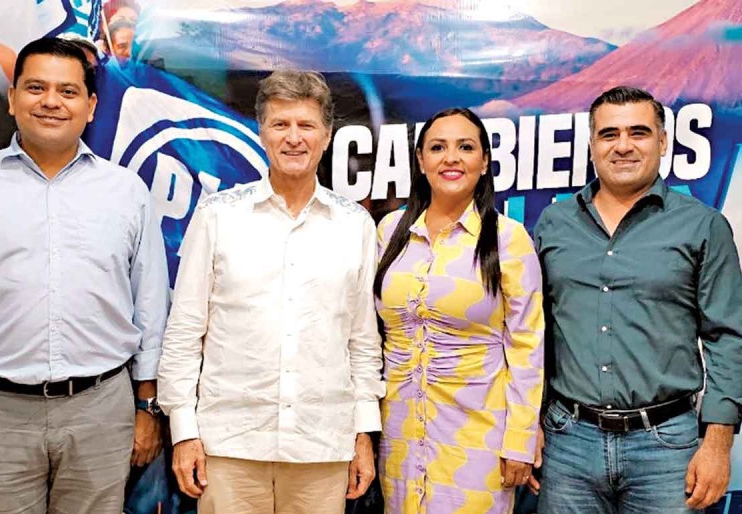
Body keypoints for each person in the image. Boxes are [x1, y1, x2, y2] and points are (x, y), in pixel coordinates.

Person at [0, 37, 169, 514]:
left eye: (67, 91)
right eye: (36, 88)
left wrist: (147, 406)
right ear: (12, 98)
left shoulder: (126, 191)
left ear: (91, 106)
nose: (51, 101)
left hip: (100, 410)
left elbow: (150, 305)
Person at [157, 70, 385, 514]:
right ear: (262, 132)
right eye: (281, 124)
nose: (293, 138)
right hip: (229, 446)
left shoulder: (355, 224)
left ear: (326, 135)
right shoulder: (218, 216)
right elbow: (184, 331)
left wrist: (363, 433)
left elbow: (362, 341)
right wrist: (183, 431)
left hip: (323, 446)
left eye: (306, 125)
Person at [533, 86, 742, 513]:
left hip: (666, 448)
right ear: (592, 145)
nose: (623, 145)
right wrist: (527, 425)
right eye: (609, 134)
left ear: (662, 142)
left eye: (638, 132)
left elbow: (728, 337)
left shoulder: (703, 226)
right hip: (567, 442)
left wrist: (718, 444)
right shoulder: (554, 223)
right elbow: (532, 333)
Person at [374, 107, 544, 514]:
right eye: (438, 147)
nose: (451, 158)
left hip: (479, 440)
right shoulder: (390, 231)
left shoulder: (507, 238)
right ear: (420, 160)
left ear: (484, 162)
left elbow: (527, 345)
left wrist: (520, 439)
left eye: (465, 147)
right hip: (398, 436)